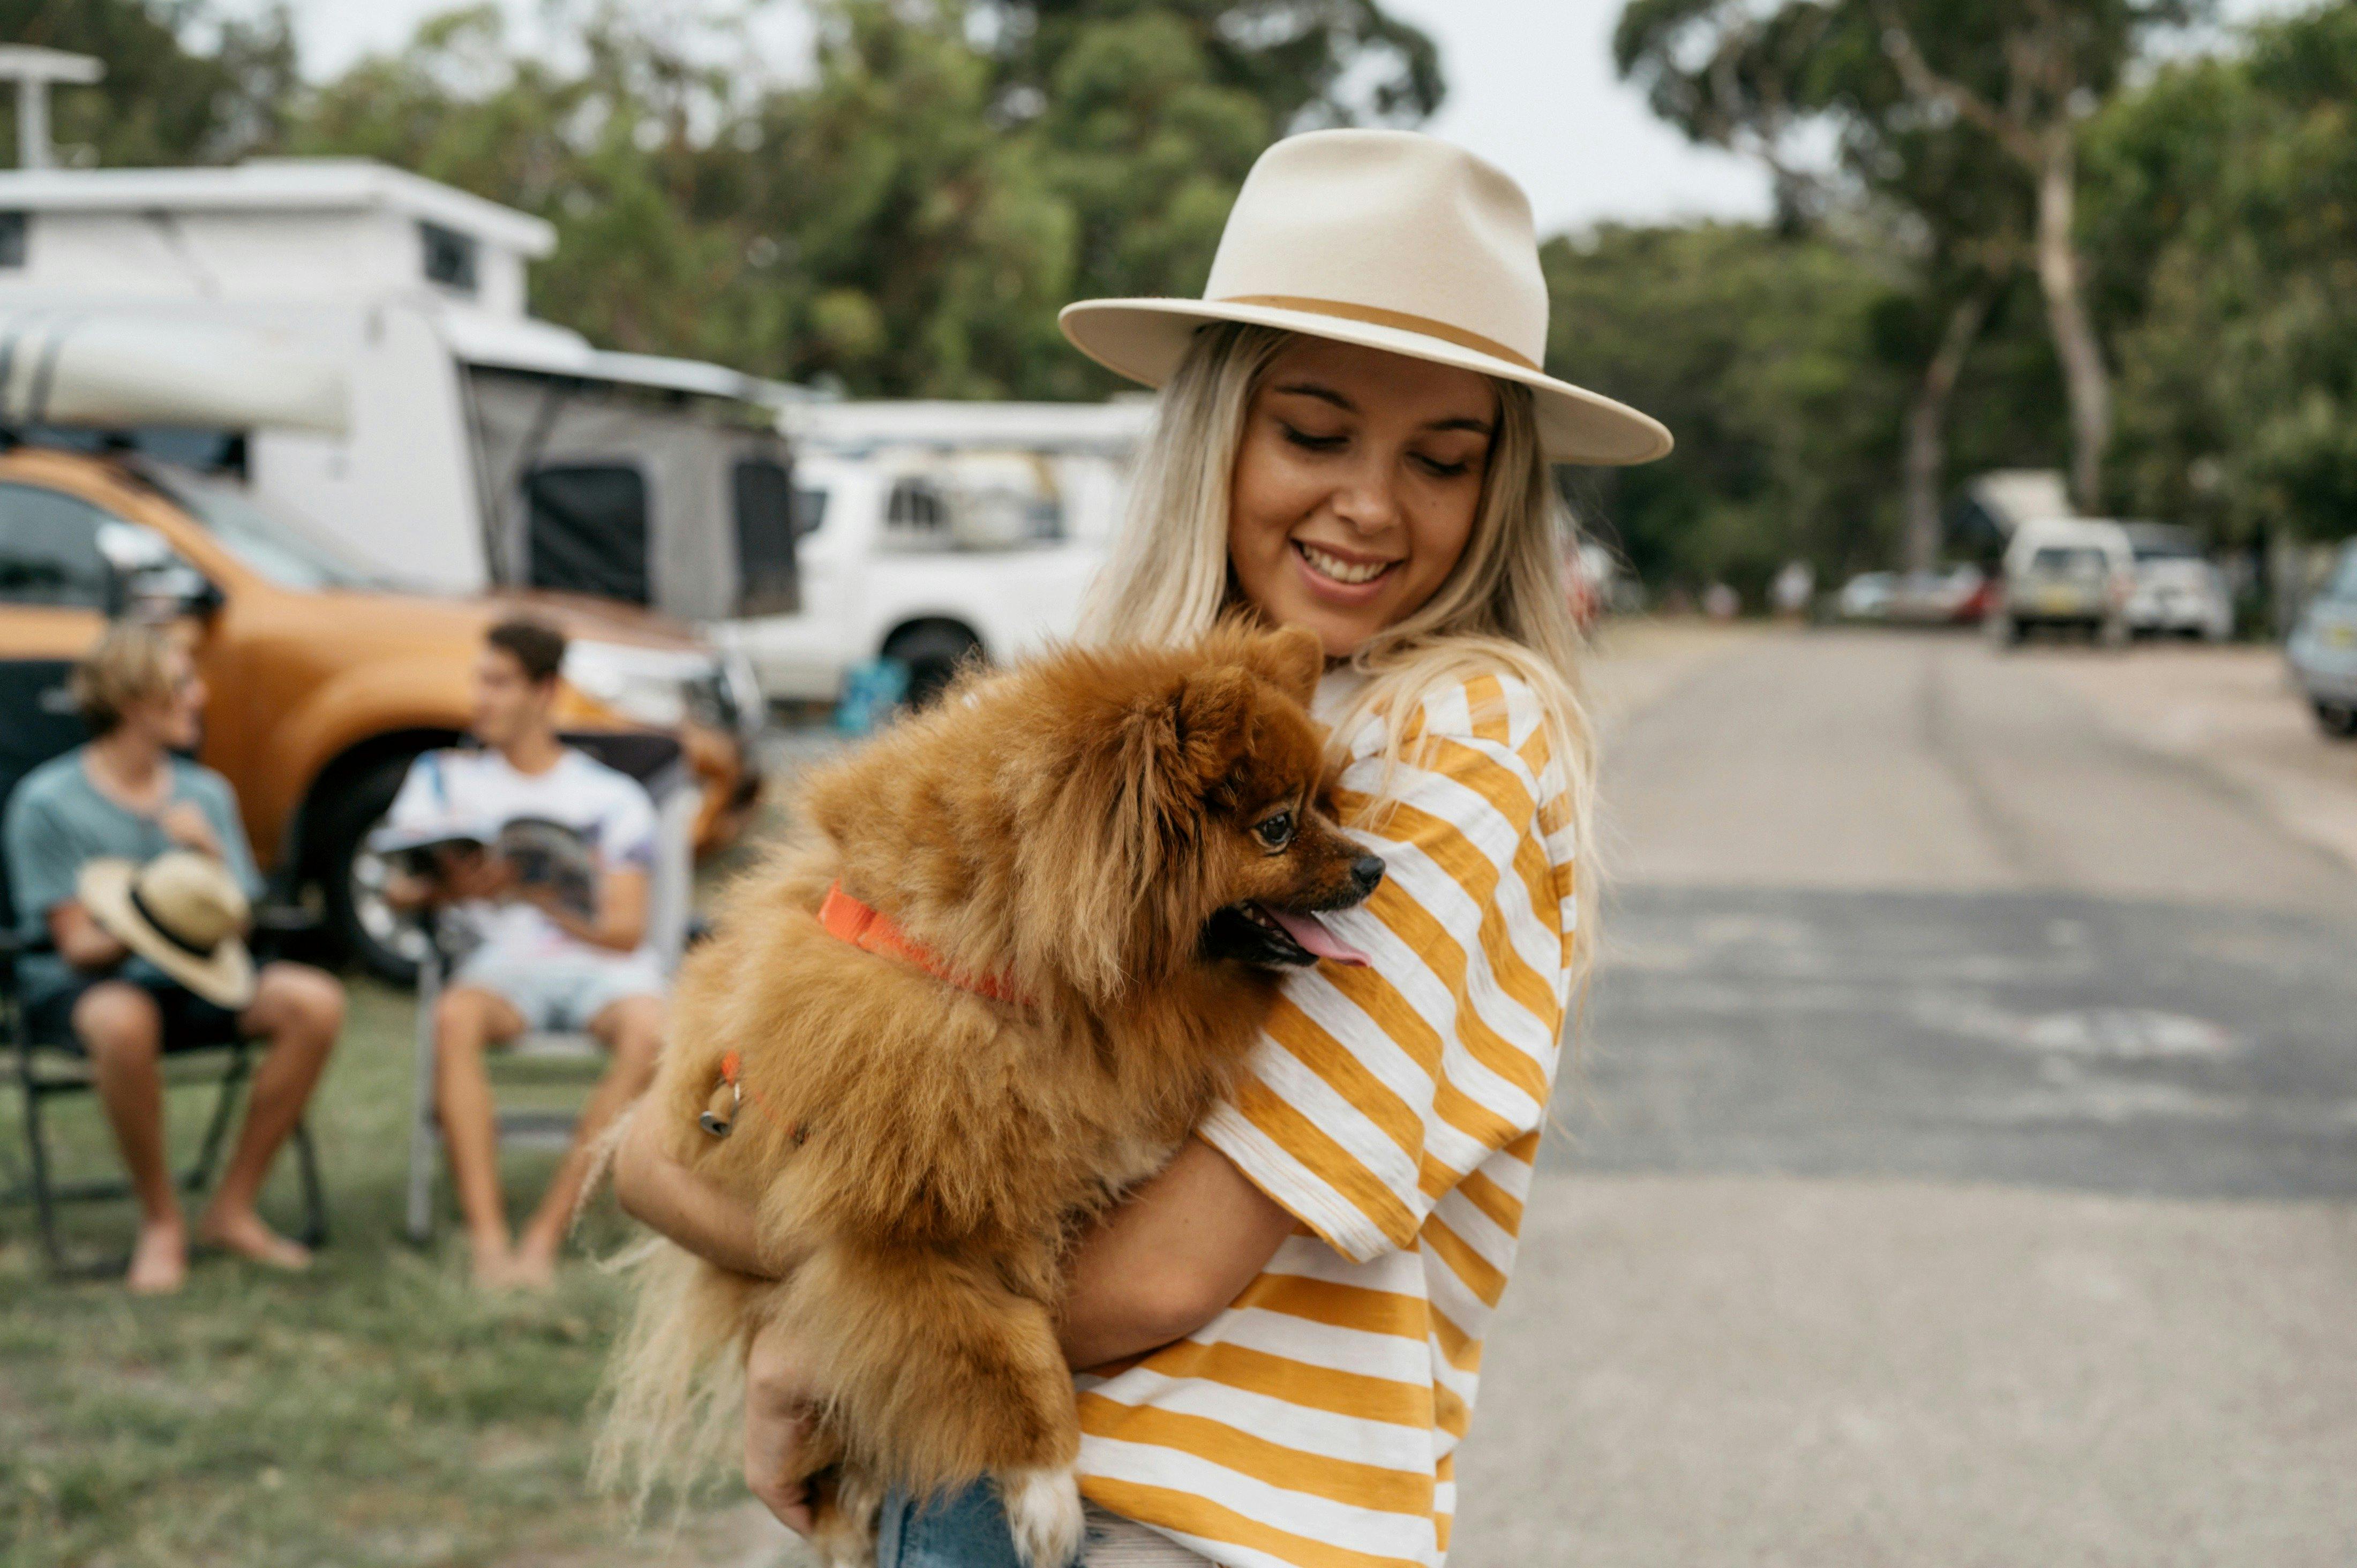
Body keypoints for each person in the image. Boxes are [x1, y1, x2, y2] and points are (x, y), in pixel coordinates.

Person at [613, 128, 1671, 1566]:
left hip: (1181, 1523)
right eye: (1314, 433)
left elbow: (1168, 1267)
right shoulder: (1097, 719)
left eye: (1445, 458)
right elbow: (702, 1120)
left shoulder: (1465, 738)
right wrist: (830, 1262)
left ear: (1503, 487)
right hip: (963, 1477)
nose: (1371, 504)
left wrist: (833, 1322)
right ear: (1218, 428)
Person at [3, 621, 343, 1294]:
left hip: (198, 973)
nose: (200, 695)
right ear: (135, 702)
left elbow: (238, 922)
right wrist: (156, 905)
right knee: (124, 1019)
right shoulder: (48, 803)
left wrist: (207, 862)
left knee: (315, 1001)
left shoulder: (204, 795)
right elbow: (79, 946)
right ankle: (160, 1219)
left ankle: (232, 1207)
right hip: (84, 985)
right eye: (182, 684)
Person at [386, 617, 668, 1290]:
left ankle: (544, 1236)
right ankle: (489, 1239)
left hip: (601, 968)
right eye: (478, 681)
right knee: (454, 1018)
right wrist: (447, 887)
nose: (480, 698)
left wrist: (537, 897)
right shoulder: (443, 780)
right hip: (501, 969)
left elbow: (627, 932)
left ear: (544, 692)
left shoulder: (609, 798)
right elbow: (393, 890)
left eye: (498, 683)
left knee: (653, 1032)